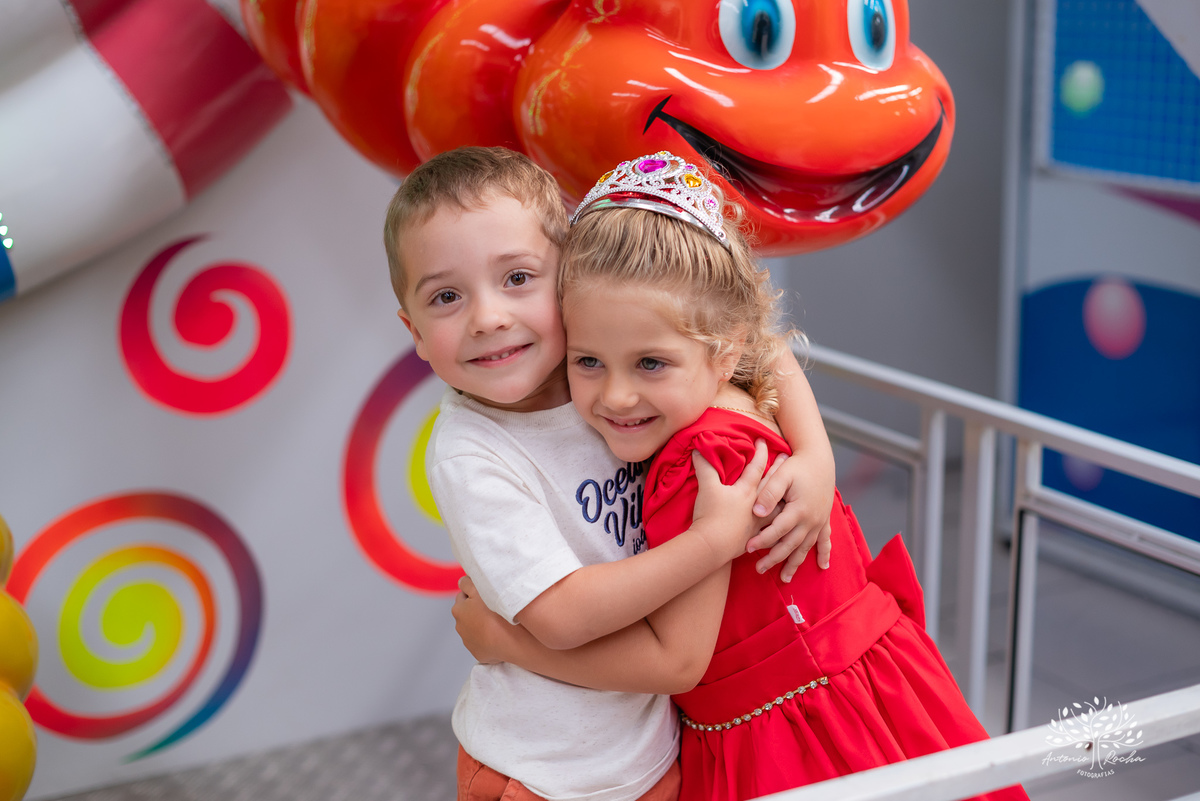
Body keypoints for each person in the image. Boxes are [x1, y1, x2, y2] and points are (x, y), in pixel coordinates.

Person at [452, 152, 1030, 801]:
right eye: (588, 360)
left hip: (792, 738)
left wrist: (506, 642)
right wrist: (816, 452)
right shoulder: (723, 383)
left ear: (723, 350)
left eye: (649, 363)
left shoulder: (697, 467)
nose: (615, 396)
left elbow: (676, 662)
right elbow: (769, 342)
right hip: (871, 692)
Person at [383, 146, 838, 801]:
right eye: (447, 296)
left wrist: (815, 456)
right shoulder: (472, 452)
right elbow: (563, 617)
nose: (488, 317)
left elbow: (753, 341)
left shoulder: (606, 372)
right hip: (541, 772)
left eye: (517, 278)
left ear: (567, 281)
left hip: (649, 754)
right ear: (416, 332)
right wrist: (712, 540)